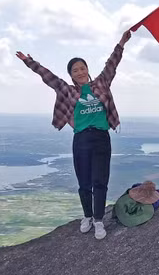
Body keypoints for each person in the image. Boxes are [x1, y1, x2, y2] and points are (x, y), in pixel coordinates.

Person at [15, 30, 132, 240]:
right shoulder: (67, 91)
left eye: (82, 68)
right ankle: (87, 216)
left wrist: (121, 43)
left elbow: (112, 63)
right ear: (71, 75)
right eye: (75, 70)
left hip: (101, 138)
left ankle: (98, 220)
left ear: (88, 70)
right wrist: (29, 61)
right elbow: (47, 76)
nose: (79, 72)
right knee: (84, 182)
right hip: (81, 140)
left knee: (100, 181)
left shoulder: (101, 83)